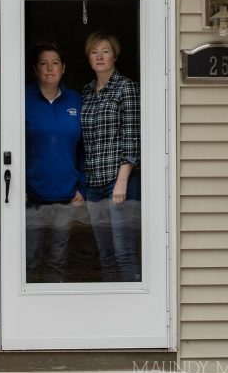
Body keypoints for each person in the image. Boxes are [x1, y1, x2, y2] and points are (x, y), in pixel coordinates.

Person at [81, 31, 141, 282]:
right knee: (104, 253)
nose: (99, 56)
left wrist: (122, 180)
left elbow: (132, 136)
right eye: (94, 52)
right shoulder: (86, 92)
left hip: (118, 183)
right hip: (93, 184)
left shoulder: (126, 88)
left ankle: (134, 312)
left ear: (115, 55)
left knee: (123, 251)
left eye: (105, 51)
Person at [25, 42, 84, 282]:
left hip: (67, 195)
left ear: (63, 68)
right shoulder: (22, 98)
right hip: (31, 195)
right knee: (30, 258)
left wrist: (82, 185)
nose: (50, 68)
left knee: (57, 260)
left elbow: (85, 147)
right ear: (35, 69)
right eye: (43, 63)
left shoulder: (75, 100)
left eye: (55, 63)